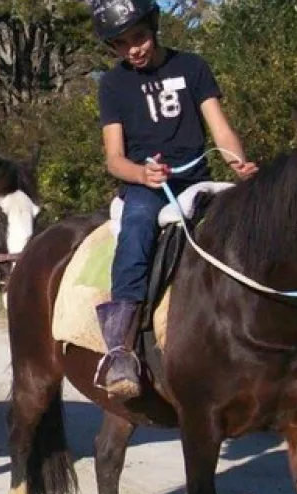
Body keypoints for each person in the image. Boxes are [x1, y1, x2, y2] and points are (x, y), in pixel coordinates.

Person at [88, 0, 260, 399]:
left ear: (154, 26)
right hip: (146, 186)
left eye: (140, 36)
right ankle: (120, 350)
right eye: (122, 44)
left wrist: (239, 162)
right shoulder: (113, 85)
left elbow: (220, 129)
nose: (135, 48)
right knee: (136, 227)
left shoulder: (192, 67)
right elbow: (114, 158)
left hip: (197, 179)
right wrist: (141, 174)